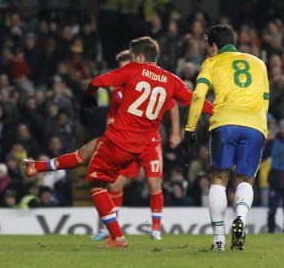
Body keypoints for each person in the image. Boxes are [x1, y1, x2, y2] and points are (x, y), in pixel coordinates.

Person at [23, 49, 206, 241]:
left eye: (124, 67)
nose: (122, 72)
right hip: (123, 139)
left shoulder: (143, 80)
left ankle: (146, 231)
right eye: (119, 68)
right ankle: (37, 167)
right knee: (88, 157)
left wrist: (176, 131)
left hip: (143, 142)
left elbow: (171, 105)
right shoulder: (119, 92)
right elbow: (112, 115)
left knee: (140, 183)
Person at [80, 36, 212, 248]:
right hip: (130, 141)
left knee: (150, 183)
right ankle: (112, 229)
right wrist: (217, 110)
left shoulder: (133, 72)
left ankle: (154, 229)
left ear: (140, 58)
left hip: (144, 142)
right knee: (115, 184)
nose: (128, 64)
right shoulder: (168, 79)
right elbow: (193, 99)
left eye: (131, 59)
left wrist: (88, 95)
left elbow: (96, 82)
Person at [184, 24, 269, 251]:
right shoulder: (259, 63)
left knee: (219, 180)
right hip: (254, 125)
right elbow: (266, 98)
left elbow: (198, 96)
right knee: (245, 179)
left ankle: (219, 239)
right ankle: (240, 217)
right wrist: (262, 128)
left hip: (225, 123)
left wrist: (190, 129)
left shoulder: (211, 63)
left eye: (207, 45)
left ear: (214, 46)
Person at [268, 120, 284, 233]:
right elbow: (264, 154)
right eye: (282, 128)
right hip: (275, 179)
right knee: (272, 210)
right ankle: (270, 231)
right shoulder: (273, 142)